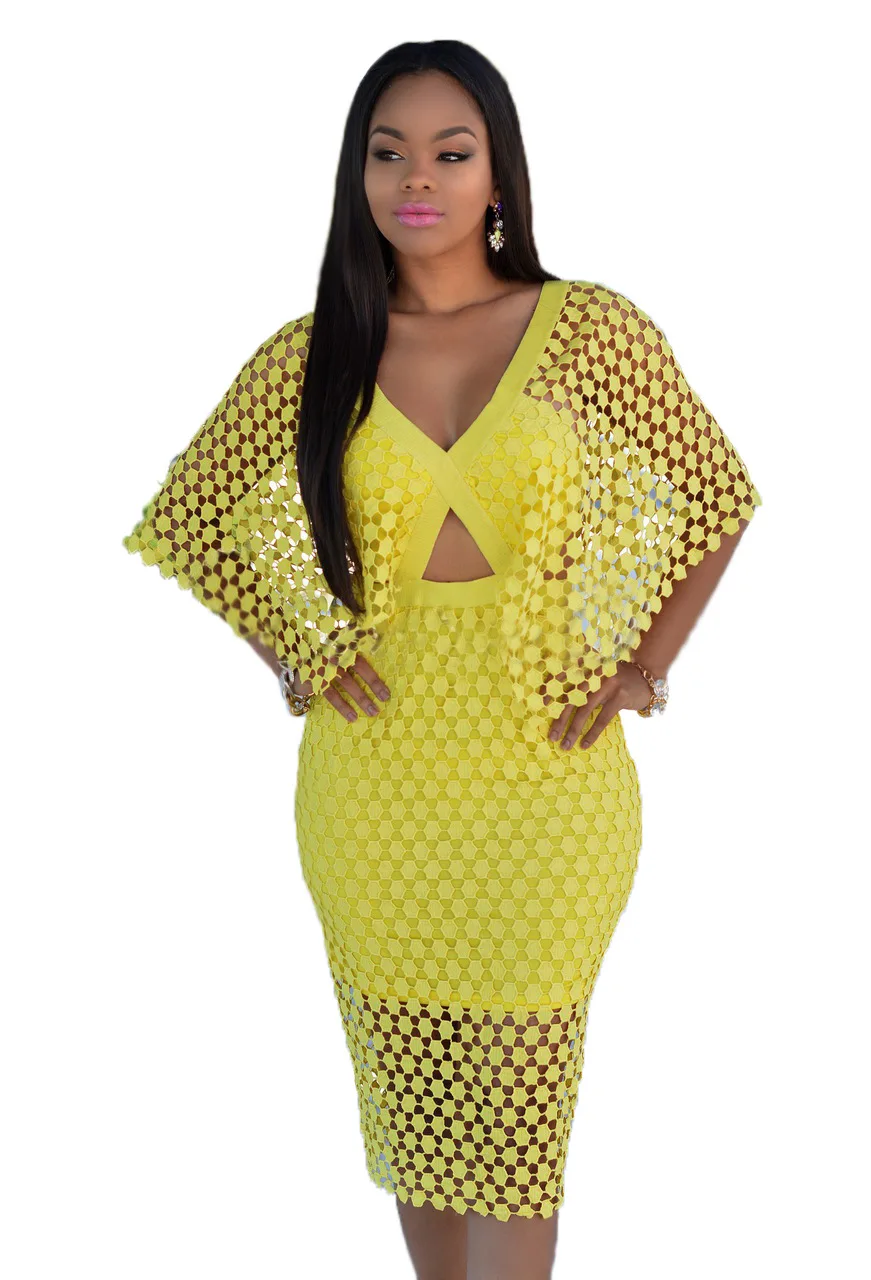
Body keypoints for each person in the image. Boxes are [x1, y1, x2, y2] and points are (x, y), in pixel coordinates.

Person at [122, 39, 762, 1280]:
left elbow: (714, 493)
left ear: (497, 175)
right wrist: (298, 651)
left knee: (517, 1118)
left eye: (449, 152)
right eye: (389, 152)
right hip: (375, 783)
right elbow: (192, 516)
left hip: (546, 781)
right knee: (422, 1118)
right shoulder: (317, 350)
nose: (417, 177)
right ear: (357, 174)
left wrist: (642, 668)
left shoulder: (587, 331)